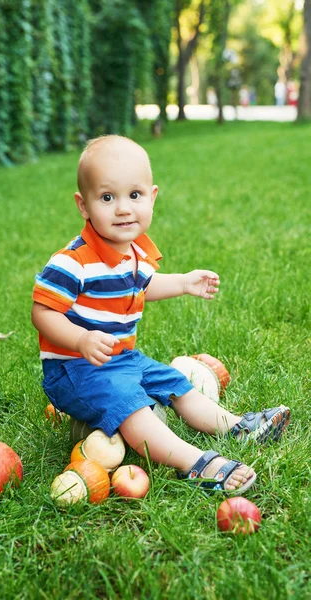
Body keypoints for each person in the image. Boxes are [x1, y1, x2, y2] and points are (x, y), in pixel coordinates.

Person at [32, 135, 290, 494]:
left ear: (152, 197)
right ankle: (195, 463)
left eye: (134, 196)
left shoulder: (134, 252)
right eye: (108, 198)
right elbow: (43, 312)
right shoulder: (71, 262)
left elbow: (143, 286)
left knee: (174, 382)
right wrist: (80, 338)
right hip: (75, 369)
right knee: (130, 405)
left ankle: (236, 427)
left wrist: (183, 283)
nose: (123, 208)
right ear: (84, 205)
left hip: (121, 358)